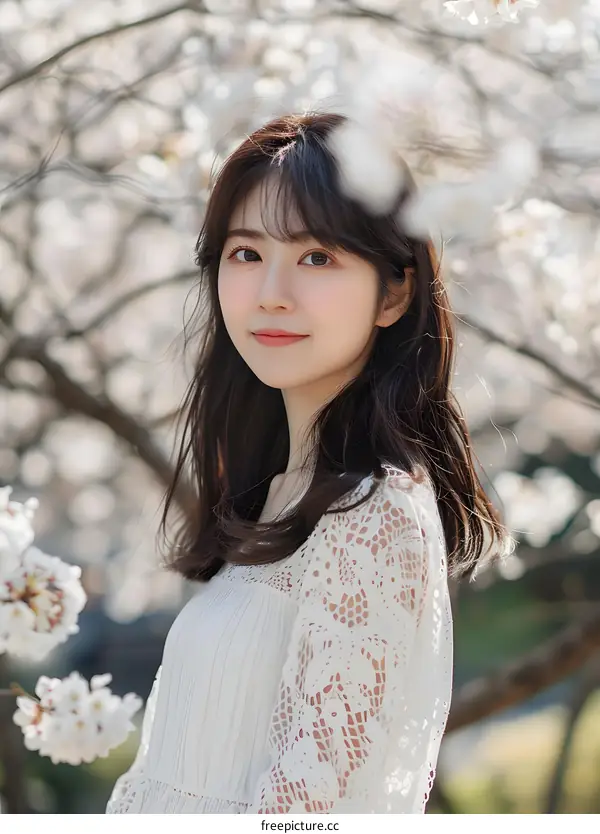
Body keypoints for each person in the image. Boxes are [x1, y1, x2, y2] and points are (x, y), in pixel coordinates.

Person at [105, 112, 509, 814]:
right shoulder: (275, 498)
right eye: (247, 253)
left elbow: (307, 814)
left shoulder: (375, 518)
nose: (272, 293)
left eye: (317, 256)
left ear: (395, 291)